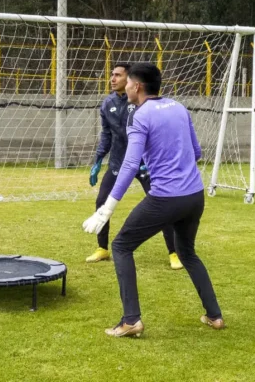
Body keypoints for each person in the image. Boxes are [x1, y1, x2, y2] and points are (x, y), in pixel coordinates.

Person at [83, 63, 224, 338]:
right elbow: (196, 152)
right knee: (187, 253)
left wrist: (106, 209)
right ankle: (214, 316)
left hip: (165, 198)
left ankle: (131, 320)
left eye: (128, 82)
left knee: (121, 246)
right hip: (194, 196)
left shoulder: (140, 115)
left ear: (136, 86)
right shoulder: (179, 108)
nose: (124, 86)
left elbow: (129, 164)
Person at [87, 63, 181, 270]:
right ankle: (102, 248)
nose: (112, 79)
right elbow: (106, 134)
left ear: (131, 81)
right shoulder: (107, 103)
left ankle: (174, 252)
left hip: (144, 164)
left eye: (118, 75)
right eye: (111, 74)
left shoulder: (142, 104)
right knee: (102, 201)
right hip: (118, 162)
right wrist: (98, 159)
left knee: (162, 204)